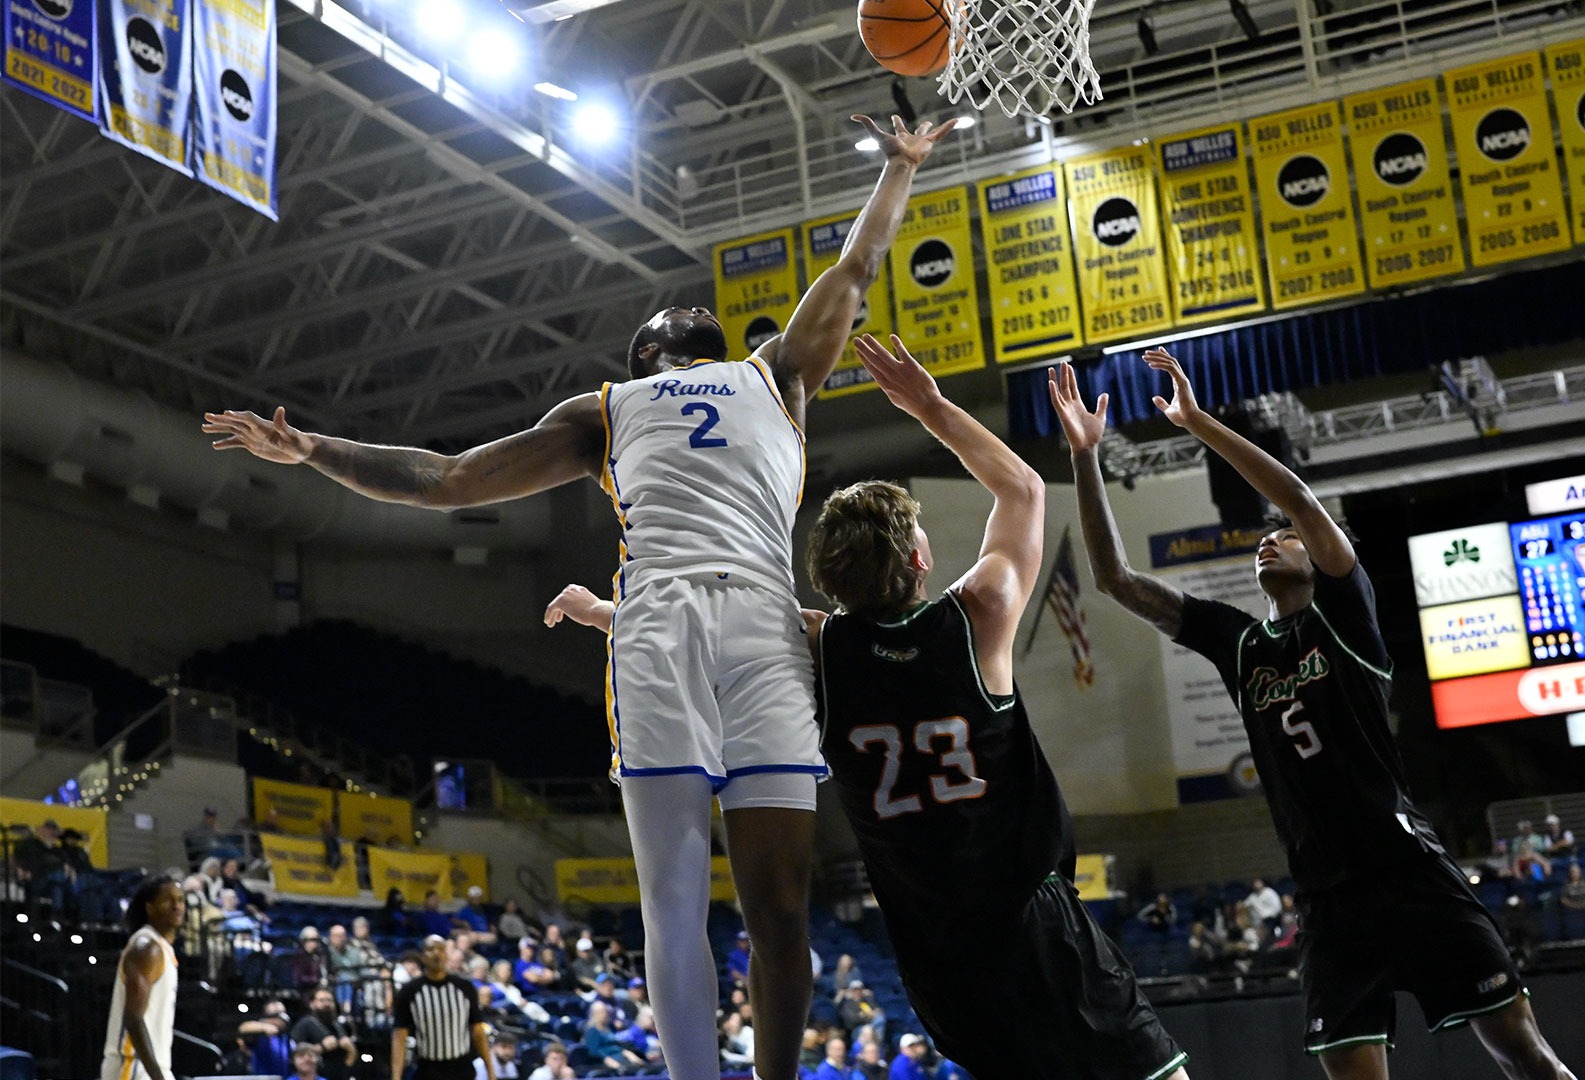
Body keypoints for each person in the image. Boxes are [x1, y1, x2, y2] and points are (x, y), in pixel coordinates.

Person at [210, 114, 953, 1080]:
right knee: (729, 906)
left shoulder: (689, 390)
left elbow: (444, 480)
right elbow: (449, 477)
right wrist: (898, 172)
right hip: (717, 626)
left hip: (700, 628)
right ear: (680, 351)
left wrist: (315, 447)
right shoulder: (697, 390)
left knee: (724, 905)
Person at [1052, 351, 1576, 1080]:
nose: (1271, 538)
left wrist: (1199, 423)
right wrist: (1085, 456)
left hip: (1411, 874)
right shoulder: (1239, 644)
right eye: (1264, 538)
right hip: (1329, 904)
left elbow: (1297, 497)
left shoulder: (1345, 619)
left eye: (1285, 536)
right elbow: (1113, 579)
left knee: (1527, 1056)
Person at [807, 336, 1189, 1080]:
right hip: (1028, 925)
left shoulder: (816, 644)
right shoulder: (976, 614)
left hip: (935, 964)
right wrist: (927, 405)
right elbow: (1022, 490)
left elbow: (709, 618)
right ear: (919, 559)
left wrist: (608, 614)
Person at [100, 875, 183, 1080]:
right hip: (133, 1065)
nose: (176, 906)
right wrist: (157, 1076)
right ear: (150, 907)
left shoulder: (160, 948)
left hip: (148, 1066)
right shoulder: (146, 948)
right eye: (167, 900)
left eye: (180, 899)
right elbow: (133, 1018)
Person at [393, 935, 494, 1080]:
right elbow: (399, 1036)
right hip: (428, 1069)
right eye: (431, 949)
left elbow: (478, 1031)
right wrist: (396, 1077)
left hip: (461, 1069)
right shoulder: (409, 991)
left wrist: (490, 1071)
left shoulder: (465, 987)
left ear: (447, 955)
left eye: (441, 949)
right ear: (422, 957)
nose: (436, 953)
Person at [289, 986, 357, 1080]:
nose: (326, 1004)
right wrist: (322, 1047)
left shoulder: (339, 1026)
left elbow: (349, 1058)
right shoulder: (305, 1024)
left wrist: (352, 1050)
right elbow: (294, 1051)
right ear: (312, 1004)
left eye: (329, 1000)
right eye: (322, 1000)